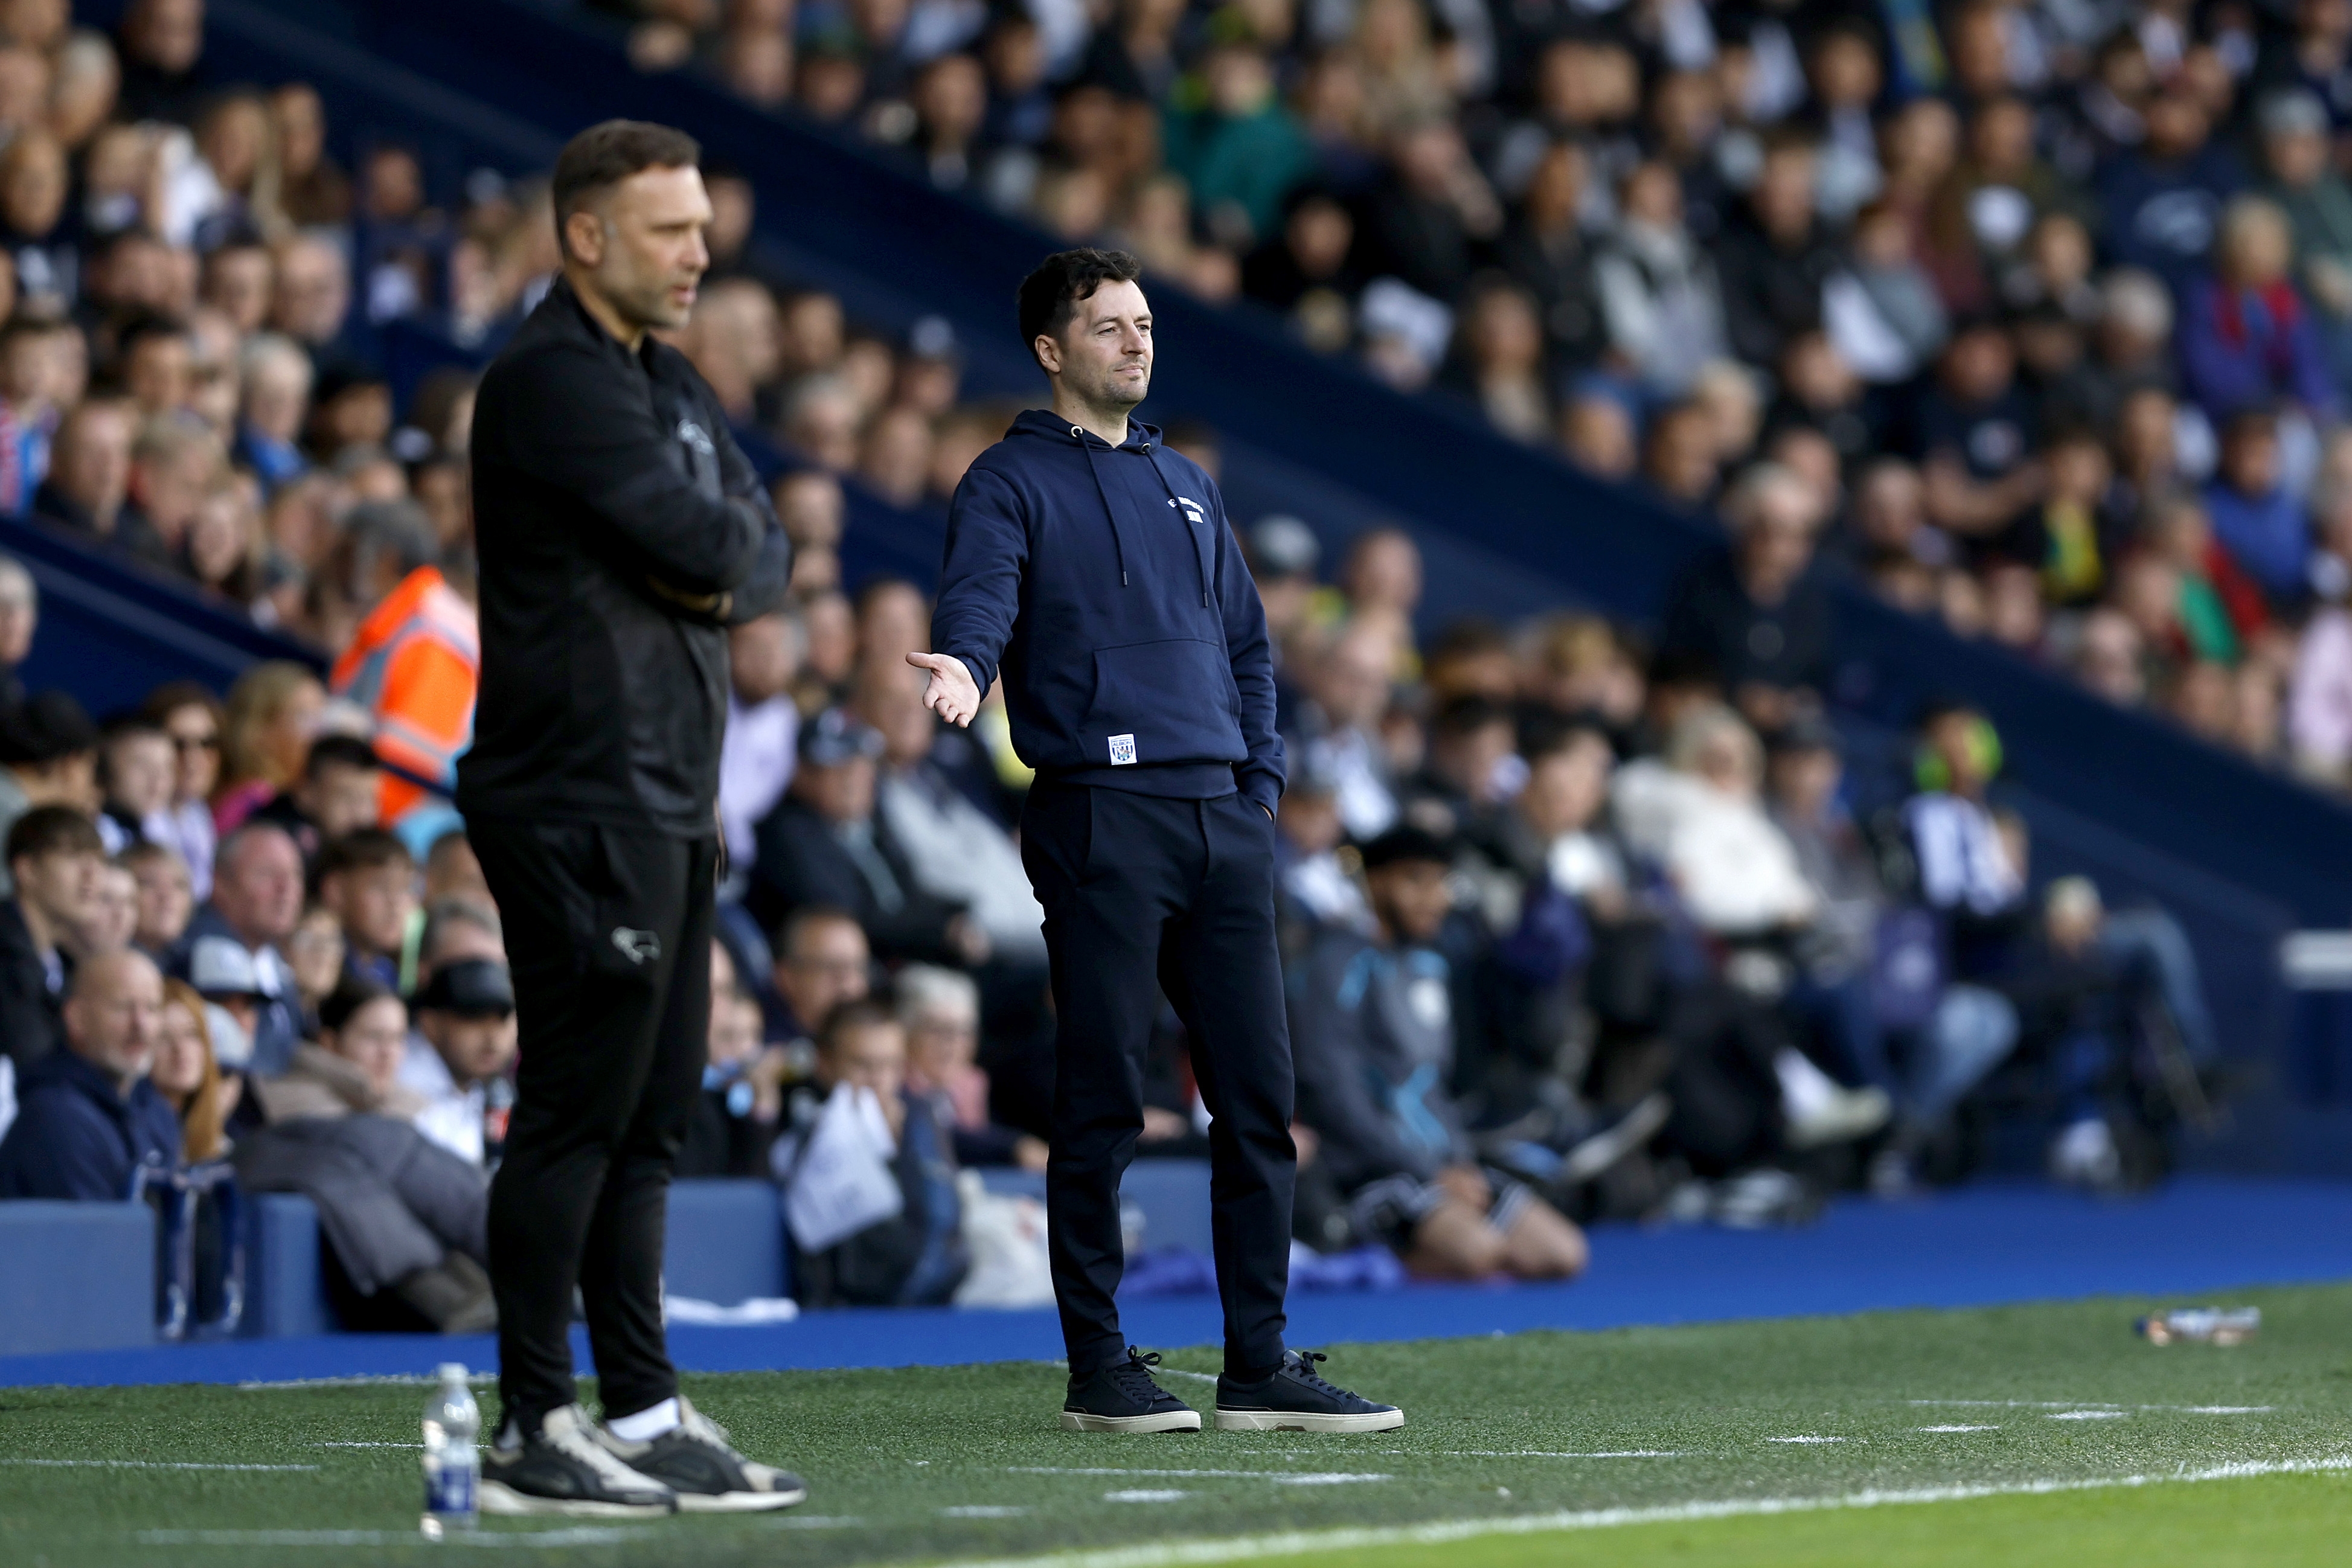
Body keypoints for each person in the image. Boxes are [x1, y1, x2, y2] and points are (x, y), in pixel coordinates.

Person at [917, 247, 1398, 1433]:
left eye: (1143, 322)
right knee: (1103, 1099)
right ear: (1051, 348)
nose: (1136, 341)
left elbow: (1247, 645)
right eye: (1109, 325)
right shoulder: (1005, 479)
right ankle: (1100, 1365)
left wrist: (1261, 783)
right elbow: (983, 594)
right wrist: (968, 666)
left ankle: (1259, 1359)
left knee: (1257, 1099)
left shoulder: (1189, 481)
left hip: (1222, 819)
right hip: (1100, 809)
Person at [455, 120, 801, 1514]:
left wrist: (711, 567)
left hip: (667, 796)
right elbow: (714, 541)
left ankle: (643, 1408)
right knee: (575, 1115)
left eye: (703, 227)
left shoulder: (664, 381)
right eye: (670, 229)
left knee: (651, 1118)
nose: (699, 254)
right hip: (580, 793)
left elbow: (757, 553)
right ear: (584, 235)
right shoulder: (548, 382)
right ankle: (536, 1421)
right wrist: (710, 562)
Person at [1290, 824, 1592, 1281]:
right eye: (1416, 880)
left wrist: (1460, 1163)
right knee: (1479, 1255)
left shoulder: (1429, 964)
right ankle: (1348, 1261)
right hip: (1372, 1170)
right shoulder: (1337, 962)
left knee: (1562, 1254)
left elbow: (1431, 1085)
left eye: (1441, 881)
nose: (1435, 897)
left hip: (1441, 1163)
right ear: (1374, 881)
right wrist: (1428, 1172)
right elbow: (1336, 1093)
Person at [771, 996, 968, 1308]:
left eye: (890, 1065)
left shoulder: (918, 1122)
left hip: (915, 1306)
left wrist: (897, 1154)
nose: (878, 1080)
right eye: (862, 1065)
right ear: (826, 1063)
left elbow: (943, 1234)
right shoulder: (798, 1120)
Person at [0, 947, 179, 1200]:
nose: (140, 1025)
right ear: (77, 1018)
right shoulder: (55, 1118)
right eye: (122, 1007)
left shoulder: (156, 1111)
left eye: (151, 1008)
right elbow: (102, 1237)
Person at [171, 821, 304, 1075]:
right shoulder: (199, 954)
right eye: (267, 874)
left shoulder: (273, 957)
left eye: (295, 875)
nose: (286, 890)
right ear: (221, 883)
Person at [0, 806, 103, 1067]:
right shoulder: (6, 957)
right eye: (73, 857)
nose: (91, 875)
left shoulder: (65, 965)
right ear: (27, 870)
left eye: (97, 860)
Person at [402, 955, 518, 1169]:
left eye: (500, 1020)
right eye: (474, 1019)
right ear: (430, 1023)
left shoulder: (482, 1085)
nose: (491, 1038)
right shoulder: (403, 1080)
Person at [314, 829, 418, 993]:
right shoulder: (320, 968)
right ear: (337, 891)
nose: (396, 902)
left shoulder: (388, 971)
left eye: (406, 887)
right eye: (381, 886)